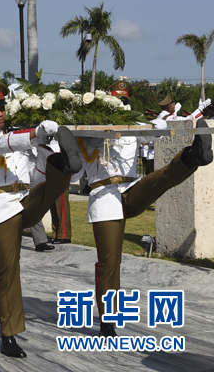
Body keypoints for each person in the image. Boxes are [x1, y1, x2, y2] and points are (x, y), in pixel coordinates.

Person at [0, 82, 82, 358]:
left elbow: (35, 176)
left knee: (50, 183)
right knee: (8, 271)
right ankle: (8, 334)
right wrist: (34, 133)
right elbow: (3, 143)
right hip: (3, 208)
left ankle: (65, 165)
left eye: (1, 108)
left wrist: (45, 148)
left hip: (26, 200)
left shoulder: (20, 142)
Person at [77, 117, 212, 337]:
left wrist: (155, 126)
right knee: (109, 263)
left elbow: (151, 133)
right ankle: (107, 320)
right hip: (105, 197)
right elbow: (74, 170)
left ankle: (192, 157)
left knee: (162, 178)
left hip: (132, 189)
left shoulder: (130, 129)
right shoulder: (88, 135)